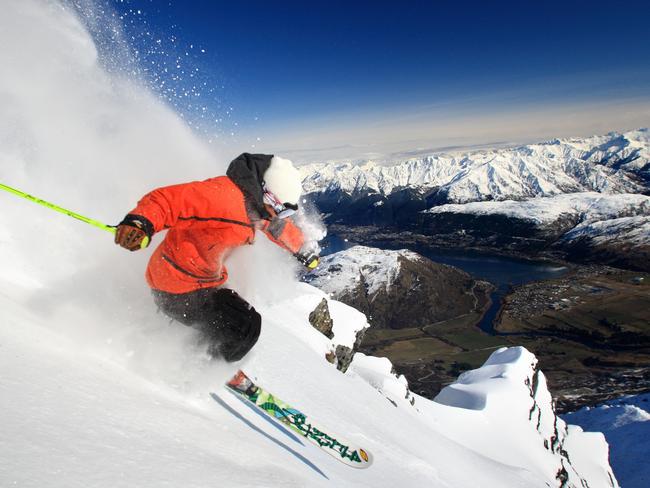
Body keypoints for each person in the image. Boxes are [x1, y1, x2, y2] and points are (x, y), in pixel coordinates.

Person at [114, 153, 319, 362]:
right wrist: (140, 222)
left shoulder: (258, 208)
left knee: (245, 322)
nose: (278, 215)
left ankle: (210, 354)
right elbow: (168, 201)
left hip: (202, 281)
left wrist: (302, 248)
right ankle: (200, 364)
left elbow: (276, 226)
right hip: (176, 286)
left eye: (285, 212)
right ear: (265, 193)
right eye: (279, 209)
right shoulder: (221, 197)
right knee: (244, 329)